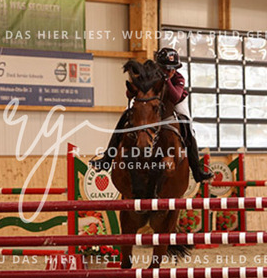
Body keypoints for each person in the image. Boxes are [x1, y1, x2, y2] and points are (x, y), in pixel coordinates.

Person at [90, 47, 214, 182]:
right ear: (159, 67)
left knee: (187, 125)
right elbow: (130, 93)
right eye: (166, 69)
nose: (171, 72)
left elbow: (175, 97)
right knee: (125, 117)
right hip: (150, 105)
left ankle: (197, 170)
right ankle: (106, 160)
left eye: (173, 69)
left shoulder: (178, 78)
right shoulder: (150, 75)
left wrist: (166, 79)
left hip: (174, 102)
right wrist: (133, 87)